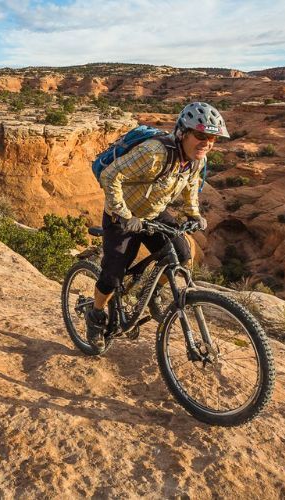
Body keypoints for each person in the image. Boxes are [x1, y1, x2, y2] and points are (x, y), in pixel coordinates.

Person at [86, 101, 230, 348]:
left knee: (183, 255)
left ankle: (150, 296)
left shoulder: (197, 160)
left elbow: (191, 186)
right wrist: (123, 214)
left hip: (153, 213)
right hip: (123, 216)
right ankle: (96, 314)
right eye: (201, 135)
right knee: (113, 275)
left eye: (212, 138)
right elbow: (111, 176)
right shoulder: (154, 153)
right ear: (183, 132)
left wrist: (193, 214)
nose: (207, 143)